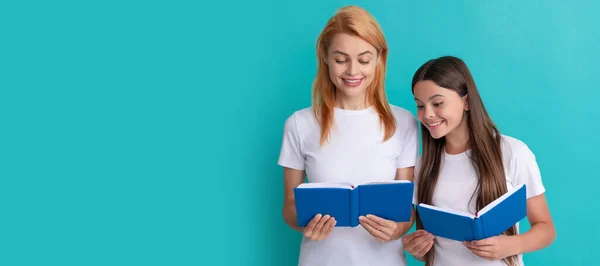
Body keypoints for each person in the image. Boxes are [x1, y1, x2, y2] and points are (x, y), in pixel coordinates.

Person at [277, 5, 418, 266]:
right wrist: (305, 224)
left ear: (379, 60)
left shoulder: (404, 123)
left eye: (364, 60)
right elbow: (289, 206)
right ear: (325, 58)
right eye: (341, 59)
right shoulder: (299, 124)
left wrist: (397, 229)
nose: (353, 71)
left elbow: (406, 209)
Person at [402, 56, 556, 266]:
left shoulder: (512, 152)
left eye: (437, 103)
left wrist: (510, 246)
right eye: (420, 105)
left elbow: (546, 228)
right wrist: (417, 250)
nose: (427, 114)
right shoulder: (423, 165)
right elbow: (434, 250)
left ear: (466, 101)